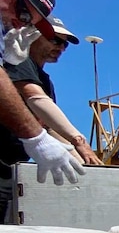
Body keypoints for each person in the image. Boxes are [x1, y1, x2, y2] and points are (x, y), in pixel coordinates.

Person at [0, 0, 84, 188]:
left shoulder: (42, 77)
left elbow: (46, 125)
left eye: (28, 23)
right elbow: (34, 98)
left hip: (9, 166)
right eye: (24, 14)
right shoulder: (21, 65)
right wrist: (37, 138)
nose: (18, 24)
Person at [5, 16, 103, 165]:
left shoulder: (46, 82)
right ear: (33, 35)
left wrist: (83, 164)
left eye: (65, 44)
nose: (61, 48)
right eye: (55, 40)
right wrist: (79, 141)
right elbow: (34, 96)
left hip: (12, 164)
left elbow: (49, 128)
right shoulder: (17, 60)